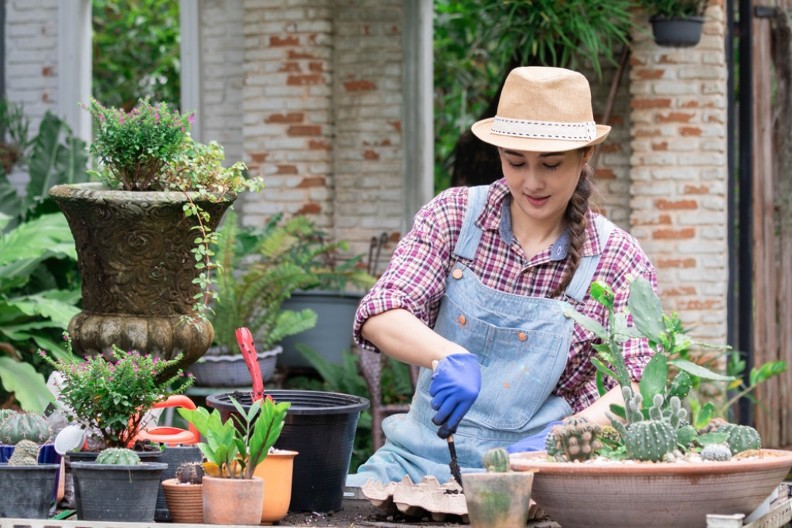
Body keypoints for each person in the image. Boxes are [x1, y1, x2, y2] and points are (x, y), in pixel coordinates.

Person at [347, 66, 657, 487]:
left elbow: (639, 386)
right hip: (412, 468)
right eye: (515, 162)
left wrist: (559, 439)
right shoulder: (455, 216)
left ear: (586, 155)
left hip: (534, 477)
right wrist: (449, 356)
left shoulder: (617, 258)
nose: (531, 182)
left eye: (550, 164)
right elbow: (380, 312)